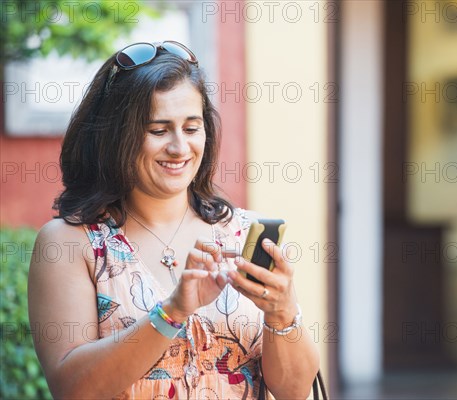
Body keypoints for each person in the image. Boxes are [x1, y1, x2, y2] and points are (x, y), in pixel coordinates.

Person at [28, 41, 320, 399]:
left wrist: (282, 311)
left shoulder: (245, 234)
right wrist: (171, 312)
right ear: (115, 136)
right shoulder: (70, 244)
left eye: (192, 127)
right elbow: (73, 389)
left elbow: (294, 390)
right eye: (158, 129)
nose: (180, 148)